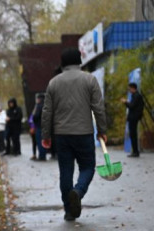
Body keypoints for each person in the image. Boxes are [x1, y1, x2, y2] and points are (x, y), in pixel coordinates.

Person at [41, 48, 107, 222]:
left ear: (62, 64)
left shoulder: (53, 83)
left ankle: (69, 211)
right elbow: (98, 108)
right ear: (80, 62)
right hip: (84, 133)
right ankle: (78, 192)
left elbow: (47, 112)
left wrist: (46, 135)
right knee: (87, 167)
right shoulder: (90, 80)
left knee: (66, 171)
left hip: (61, 135)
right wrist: (102, 131)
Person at [121, 82, 144, 157]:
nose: (129, 90)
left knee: (133, 134)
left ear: (133, 88)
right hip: (134, 117)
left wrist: (125, 102)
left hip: (134, 118)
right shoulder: (136, 96)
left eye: (129, 88)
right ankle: (135, 151)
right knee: (133, 134)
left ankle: (135, 152)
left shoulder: (136, 96)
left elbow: (132, 106)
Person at [31, 93, 47, 161]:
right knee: (44, 141)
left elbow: (35, 116)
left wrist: (33, 120)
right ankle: (44, 155)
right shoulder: (46, 105)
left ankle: (41, 156)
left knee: (39, 141)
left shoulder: (38, 106)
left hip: (39, 126)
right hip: (45, 126)